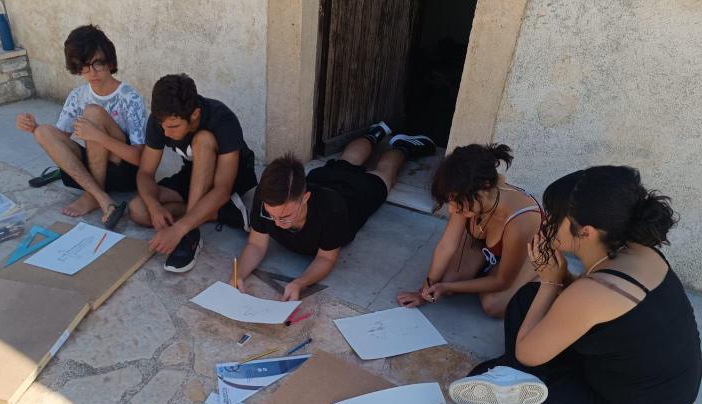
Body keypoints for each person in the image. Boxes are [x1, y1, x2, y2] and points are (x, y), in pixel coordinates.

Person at [447, 166, 701, 404]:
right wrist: (558, 278)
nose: (547, 222)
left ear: (586, 232)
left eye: (555, 217)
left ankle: (520, 380)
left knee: (484, 376)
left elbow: (529, 352)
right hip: (620, 374)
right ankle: (524, 379)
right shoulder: (637, 250)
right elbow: (592, 308)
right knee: (526, 299)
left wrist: (551, 281)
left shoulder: (598, 290)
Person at [232, 123, 435, 300]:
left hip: (353, 198)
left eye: (284, 216)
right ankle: (374, 134)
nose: (276, 223)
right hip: (321, 180)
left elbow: (326, 258)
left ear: (305, 198)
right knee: (345, 162)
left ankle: (402, 146)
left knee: (384, 174)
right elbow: (256, 244)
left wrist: (300, 282)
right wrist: (238, 275)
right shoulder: (267, 197)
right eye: (271, 215)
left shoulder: (331, 210)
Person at [15, 25, 147, 225]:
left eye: (97, 63)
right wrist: (33, 127)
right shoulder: (78, 95)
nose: (92, 72)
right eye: (84, 65)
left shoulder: (130, 97)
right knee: (43, 132)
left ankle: (93, 195)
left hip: (122, 170)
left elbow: (139, 158)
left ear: (110, 61)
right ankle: (99, 196)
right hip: (93, 167)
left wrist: (98, 136)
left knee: (92, 113)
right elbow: (60, 140)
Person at [128, 73, 257, 272]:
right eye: (162, 126)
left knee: (203, 139)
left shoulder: (222, 119)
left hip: (233, 179)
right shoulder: (162, 120)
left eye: (173, 127)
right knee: (138, 209)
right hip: (194, 174)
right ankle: (222, 213)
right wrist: (154, 207)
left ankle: (191, 234)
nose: (166, 133)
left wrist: (179, 229)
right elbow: (145, 172)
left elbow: (223, 188)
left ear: (194, 115)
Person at [398, 144, 542, 317]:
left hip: (528, 253)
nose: (452, 210)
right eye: (450, 202)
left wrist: (444, 287)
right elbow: (446, 246)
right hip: (486, 243)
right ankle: (486, 266)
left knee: (493, 305)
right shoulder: (465, 197)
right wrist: (424, 291)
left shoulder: (519, 222)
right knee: (449, 281)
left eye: (456, 203)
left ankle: (542, 276)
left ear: (484, 187)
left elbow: (502, 281)